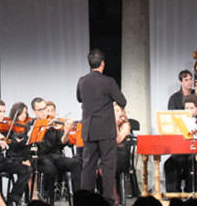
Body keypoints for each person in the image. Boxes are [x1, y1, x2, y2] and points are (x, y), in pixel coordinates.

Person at [76, 49, 127, 205]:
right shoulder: (109, 82)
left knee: (88, 166)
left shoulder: (82, 80)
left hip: (89, 129)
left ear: (90, 64)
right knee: (108, 165)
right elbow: (122, 101)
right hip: (105, 129)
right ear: (103, 64)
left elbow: (79, 98)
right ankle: (108, 201)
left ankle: (85, 200)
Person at [32, 97, 81, 204]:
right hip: (40, 158)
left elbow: (63, 141)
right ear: (34, 112)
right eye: (40, 110)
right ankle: (50, 201)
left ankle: (78, 200)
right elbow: (30, 142)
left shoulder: (55, 124)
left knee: (75, 163)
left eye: (45, 108)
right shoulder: (32, 125)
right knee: (50, 169)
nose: (44, 112)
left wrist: (67, 131)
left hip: (56, 156)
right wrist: (43, 127)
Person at [164, 94, 197, 193]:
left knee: (192, 164)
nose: (189, 110)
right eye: (186, 108)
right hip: (181, 153)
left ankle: (191, 194)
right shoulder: (179, 120)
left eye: (191, 108)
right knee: (169, 164)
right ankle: (173, 196)